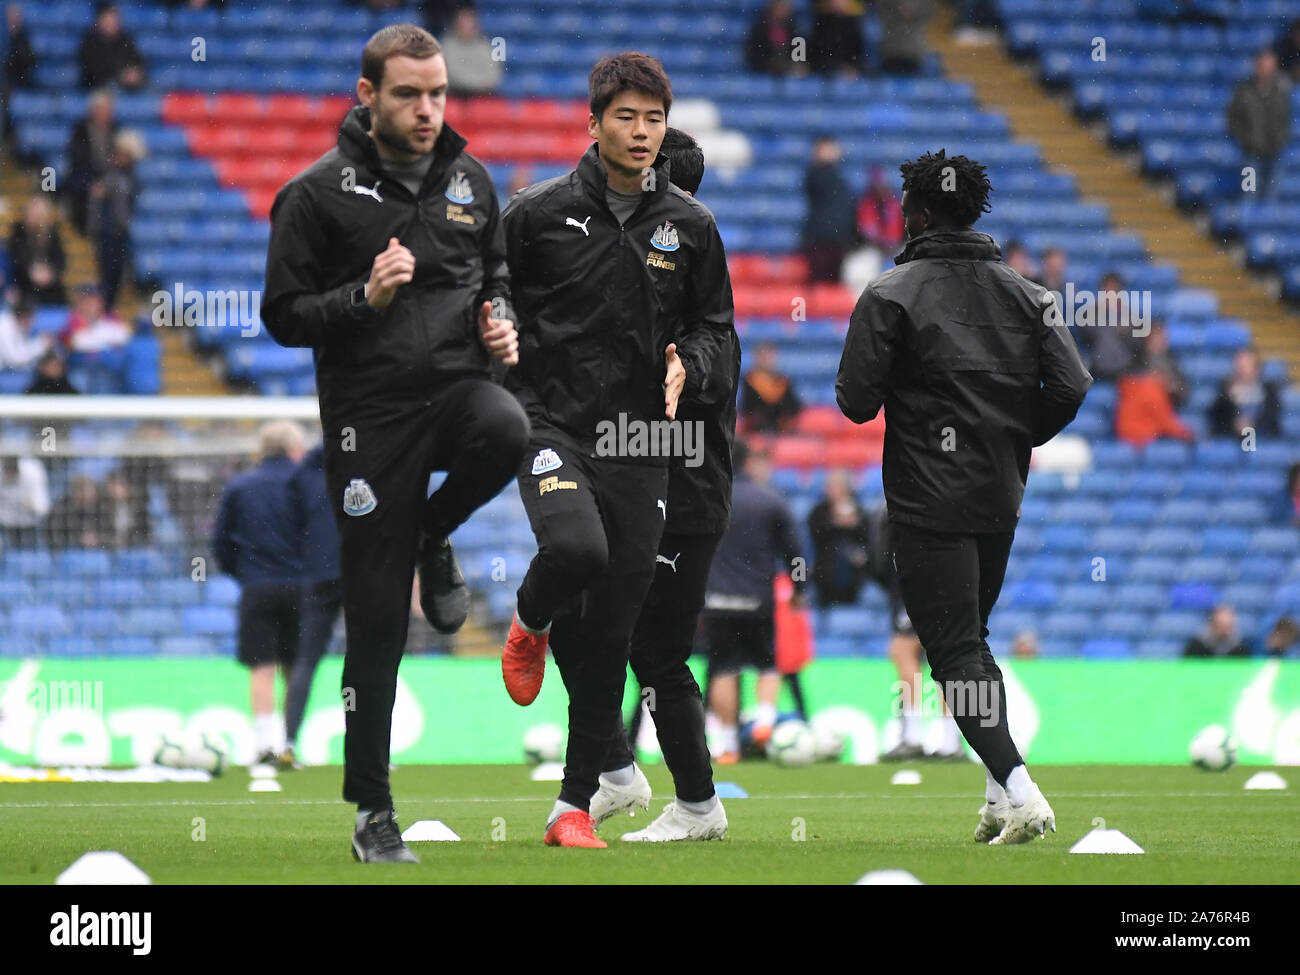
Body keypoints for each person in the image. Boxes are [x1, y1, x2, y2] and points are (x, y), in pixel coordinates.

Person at [262, 23, 529, 863]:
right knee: (378, 623)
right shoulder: (314, 194)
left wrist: (503, 320)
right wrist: (362, 299)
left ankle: (431, 530)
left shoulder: (471, 180)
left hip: (456, 392)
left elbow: (495, 273)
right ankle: (373, 813)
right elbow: (281, 315)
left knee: (508, 427)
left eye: (439, 92)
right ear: (367, 95)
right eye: (409, 93)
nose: (428, 108)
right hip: (367, 422)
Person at [499, 52, 734, 849]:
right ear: (594, 123)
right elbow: (489, 293)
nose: (641, 132)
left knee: (613, 634)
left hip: (643, 439)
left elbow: (718, 333)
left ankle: (574, 804)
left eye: (654, 118)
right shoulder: (535, 214)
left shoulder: (693, 228)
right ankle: (530, 615)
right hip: (552, 423)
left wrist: (689, 364)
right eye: (627, 117)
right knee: (575, 547)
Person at [836, 149, 1092, 844]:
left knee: (951, 652)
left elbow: (855, 402)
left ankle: (1020, 788)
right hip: (998, 496)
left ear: (914, 212)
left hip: (926, 497)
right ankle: (993, 800)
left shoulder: (891, 292)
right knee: (970, 643)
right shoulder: (1029, 293)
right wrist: (1013, 435)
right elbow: (1073, 385)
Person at [585, 125, 739, 843]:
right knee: (572, 614)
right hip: (627, 483)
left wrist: (688, 372)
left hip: (681, 496)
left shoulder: (695, 290)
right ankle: (616, 770)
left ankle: (699, 805)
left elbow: (715, 358)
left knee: (658, 651)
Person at [701, 439, 804, 764]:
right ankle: (763, 724)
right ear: (747, 462)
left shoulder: (708, 498)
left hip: (716, 600)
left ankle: (728, 744)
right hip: (757, 599)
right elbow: (795, 554)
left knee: (723, 669)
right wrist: (799, 588)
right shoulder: (769, 499)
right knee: (766, 664)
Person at [213, 421, 308, 769]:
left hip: (257, 587)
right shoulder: (307, 484)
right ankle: (289, 743)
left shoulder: (240, 486)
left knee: (262, 666)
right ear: (295, 450)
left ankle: (264, 743)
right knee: (295, 667)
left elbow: (220, 541)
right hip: (302, 587)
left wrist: (243, 574)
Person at [865, 501, 965, 762]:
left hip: (914, 584)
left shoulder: (898, 503)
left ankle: (913, 737)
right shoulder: (947, 498)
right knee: (946, 656)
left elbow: (877, 556)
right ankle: (950, 740)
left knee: (903, 650)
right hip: (950, 583)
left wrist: (891, 582)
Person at [282, 442, 343, 770]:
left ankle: (288, 743)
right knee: (369, 662)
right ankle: (375, 750)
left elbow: (290, 525)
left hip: (317, 575)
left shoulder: (302, 475)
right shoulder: (366, 464)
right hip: (361, 573)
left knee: (306, 662)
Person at [1227, 49, 1292, 200]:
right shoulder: (1243, 91)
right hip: (1251, 154)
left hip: (1275, 154)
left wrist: (1280, 139)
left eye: (1269, 66)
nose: (1266, 70)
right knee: (1249, 194)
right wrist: (1247, 141)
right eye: (1263, 65)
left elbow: (1285, 120)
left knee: (1271, 196)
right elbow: (1233, 120)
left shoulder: (1280, 91)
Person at [88, 129, 142, 310]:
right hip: (109, 232)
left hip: (118, 232)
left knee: (115, 275)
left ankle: (109, 308)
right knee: (108, 274)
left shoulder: (129, 178)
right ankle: (105, 308)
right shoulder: (110, 174)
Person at [807, 468, 869, 607]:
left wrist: (854, 525)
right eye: (831, 486)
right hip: (825, 574)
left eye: (838, 486)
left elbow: (866, 538)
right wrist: (835, 523)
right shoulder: (819, 511)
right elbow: (816, 535)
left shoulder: (858, 510)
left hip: (852, 576)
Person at [803, 135, 856, 283]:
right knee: (821, 281)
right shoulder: (816, 174)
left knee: (834, 283)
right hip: (821, 239)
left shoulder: (838, 176)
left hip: (838, 239)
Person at [66, 89, 118, 234]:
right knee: (92, 193)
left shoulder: (115, 130)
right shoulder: (81, 130)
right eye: (103, 109)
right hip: (84, 177)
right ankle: (90, 234)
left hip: (109, 177)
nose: (106, 113)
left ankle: (115, 233)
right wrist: (93, 181)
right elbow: (78, 160)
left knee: (121, 188)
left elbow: (120, 161)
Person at [1209, 346, 1281, 438]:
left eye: (1246, 366)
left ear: (1257, 368)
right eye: (1239, 366)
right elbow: (1217, 419)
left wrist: (1253, 424)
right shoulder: (1225, 389)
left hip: (1261, 439)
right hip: (1232, 439)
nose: (1241, 370)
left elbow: (1272, 419)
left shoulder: (1269, 390)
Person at [7, 196, 66, 306]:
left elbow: (60, 258)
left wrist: (51, 272)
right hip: (23, 283)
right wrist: (31, 271)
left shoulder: (52, 233)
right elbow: (16, 256)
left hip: (49, 285)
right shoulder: (18, 231)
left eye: (38, 214)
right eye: (33, 213)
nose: (35, 217)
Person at [77, 2, 145, 91]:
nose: (111, 22)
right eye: (108, 19)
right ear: (99, 20)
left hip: (127, 89)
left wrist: (135, 74)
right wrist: (120, 76)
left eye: (114, 18)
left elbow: (138, 62)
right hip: (96, 89)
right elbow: (91, 71)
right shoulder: (90, 41)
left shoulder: (126, 39)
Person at [437, 6, 501, 96]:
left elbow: (494, 75)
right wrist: (477, 84)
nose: (468, 27)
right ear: (456, 24)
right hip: (456, 95)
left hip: (482, 96)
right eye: (464, 23)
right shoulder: (448, 46)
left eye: (470, 24)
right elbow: (453, 74)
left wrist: (476, 85)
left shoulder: (485, 46)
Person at [740, 341, 801, 433]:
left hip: (781, 430)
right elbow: (747, 409)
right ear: (756, 358)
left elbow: (794, 408)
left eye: (769, 356)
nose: (766, 360)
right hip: (756, 431)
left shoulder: (783, 381)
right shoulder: (749, 380)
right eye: (762, 356)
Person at [0, 454, 49, 548]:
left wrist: (29, 505)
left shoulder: (33, 472)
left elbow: (42, 508)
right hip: (2, 526)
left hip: (29, 527)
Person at [876, 0, 936, 76]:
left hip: (915, 54)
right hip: (891, 52)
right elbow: (881, 9)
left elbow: (930, 9)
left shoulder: (925, 8)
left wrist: (913, 7)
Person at [45, 474, 106, 549]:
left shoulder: (99, 509)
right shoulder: (60, 509)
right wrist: (79, 540)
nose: (91, 495)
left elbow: (108, 533)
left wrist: (98, 539)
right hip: (67, 552)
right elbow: (54, 537)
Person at [811, 0, 866, 78]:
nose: (838, 2)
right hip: (825, 69)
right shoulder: (821, 22)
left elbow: (857, 50)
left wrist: (852, 66)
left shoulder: (854, 24)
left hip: (847, 69)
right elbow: (816, 49)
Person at [855, 167, 904, 255]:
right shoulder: (866, 204)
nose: (880, 188)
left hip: (896, 247)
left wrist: (892, 243)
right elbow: (867, 230)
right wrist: (882, 243)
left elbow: (904, 229)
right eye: (877, 185)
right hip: (873, 248)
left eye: (882, 185)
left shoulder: (896, 203)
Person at [746, 0, 801, 77]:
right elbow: (753, 54)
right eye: (778, 5)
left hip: (788, 71)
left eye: (783, 6)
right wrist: (769, 64)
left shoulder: (796, 30)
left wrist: (791, 64)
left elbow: (800, 55)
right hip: (764, 72)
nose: (780, 9)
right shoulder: (760, 29)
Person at [0, 294, 51, 370]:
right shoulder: (4, 326)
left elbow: (22, 352)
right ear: (24, 317)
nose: (33, 322)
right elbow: (15, 359)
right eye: (31, 318)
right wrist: (40, 345)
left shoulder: (16, 324)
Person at [1183, 605, 1249, 658]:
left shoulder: (1240, 648)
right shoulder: (1197, 646)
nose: (1224, 630)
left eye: (1228, 626)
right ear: (1212, 624)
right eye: (1220, 625)